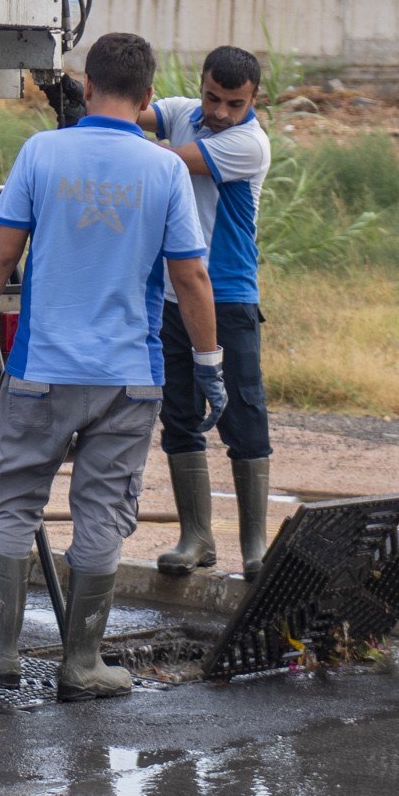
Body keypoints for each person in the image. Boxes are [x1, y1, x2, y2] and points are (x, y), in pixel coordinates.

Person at [0, 32, 226, 701]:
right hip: (129, 378)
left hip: (42, 369)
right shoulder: (164, 170)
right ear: (150, 96)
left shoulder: (44, 151)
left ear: (87, 87)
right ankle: (83, 663)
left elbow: (1, 252)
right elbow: (192, 278)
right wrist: (209, 366)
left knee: (11, 502)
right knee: (102, 512)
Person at [142, 46, 274, 580]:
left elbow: (168, 160)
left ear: (254, 99)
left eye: (234, 103)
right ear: (201, 85)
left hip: (228, 298)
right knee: (179, 416)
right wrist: (86, 102)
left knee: (243, 417)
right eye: (212, 97)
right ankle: (196, 537)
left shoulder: (250, 143)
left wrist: (111, 135)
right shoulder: (181, 113)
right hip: (174, 296)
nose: (220, 112)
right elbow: (132, 112)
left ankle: (255, 547)